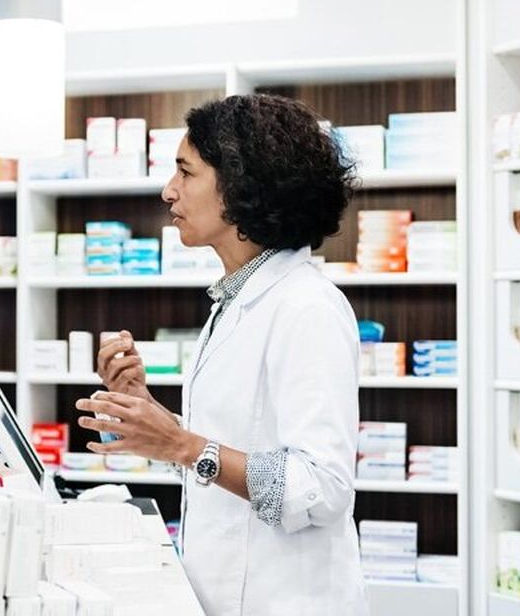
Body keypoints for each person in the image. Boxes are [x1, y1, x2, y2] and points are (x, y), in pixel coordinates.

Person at [76, 94, 368, 615]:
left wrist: (186, 445)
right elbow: (233, 447)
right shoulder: (236, 301)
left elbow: (322, 489)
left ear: (240, 186)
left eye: (186, 173)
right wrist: (149, 414)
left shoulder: (308, 308)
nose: (169, 191)